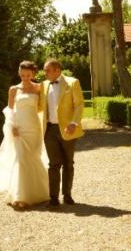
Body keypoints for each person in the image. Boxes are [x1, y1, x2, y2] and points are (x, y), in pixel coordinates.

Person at [0, 61, 49, 209]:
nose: (25, 77)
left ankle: (39, 193)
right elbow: (10, 110)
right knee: (21, 159)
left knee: (33, 158)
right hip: (19, 128)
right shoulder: (13, 89)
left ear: (33, 74)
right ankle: (20, 196)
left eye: (28, 75)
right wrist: (12, 126)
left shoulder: (39, 88)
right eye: (22, 74)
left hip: (34, 128)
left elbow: (45, 107)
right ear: (19, 73)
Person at [42, 58, 84, 206]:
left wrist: (73, 123)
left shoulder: (73, 83)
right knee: (53, 164)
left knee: (68, 163)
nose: (44, 73)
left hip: (68, 129)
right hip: (50, 130)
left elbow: (79, 105)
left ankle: (67, 195)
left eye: (47, 70)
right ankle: (53, 198)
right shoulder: (44, 85)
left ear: (57, 71)